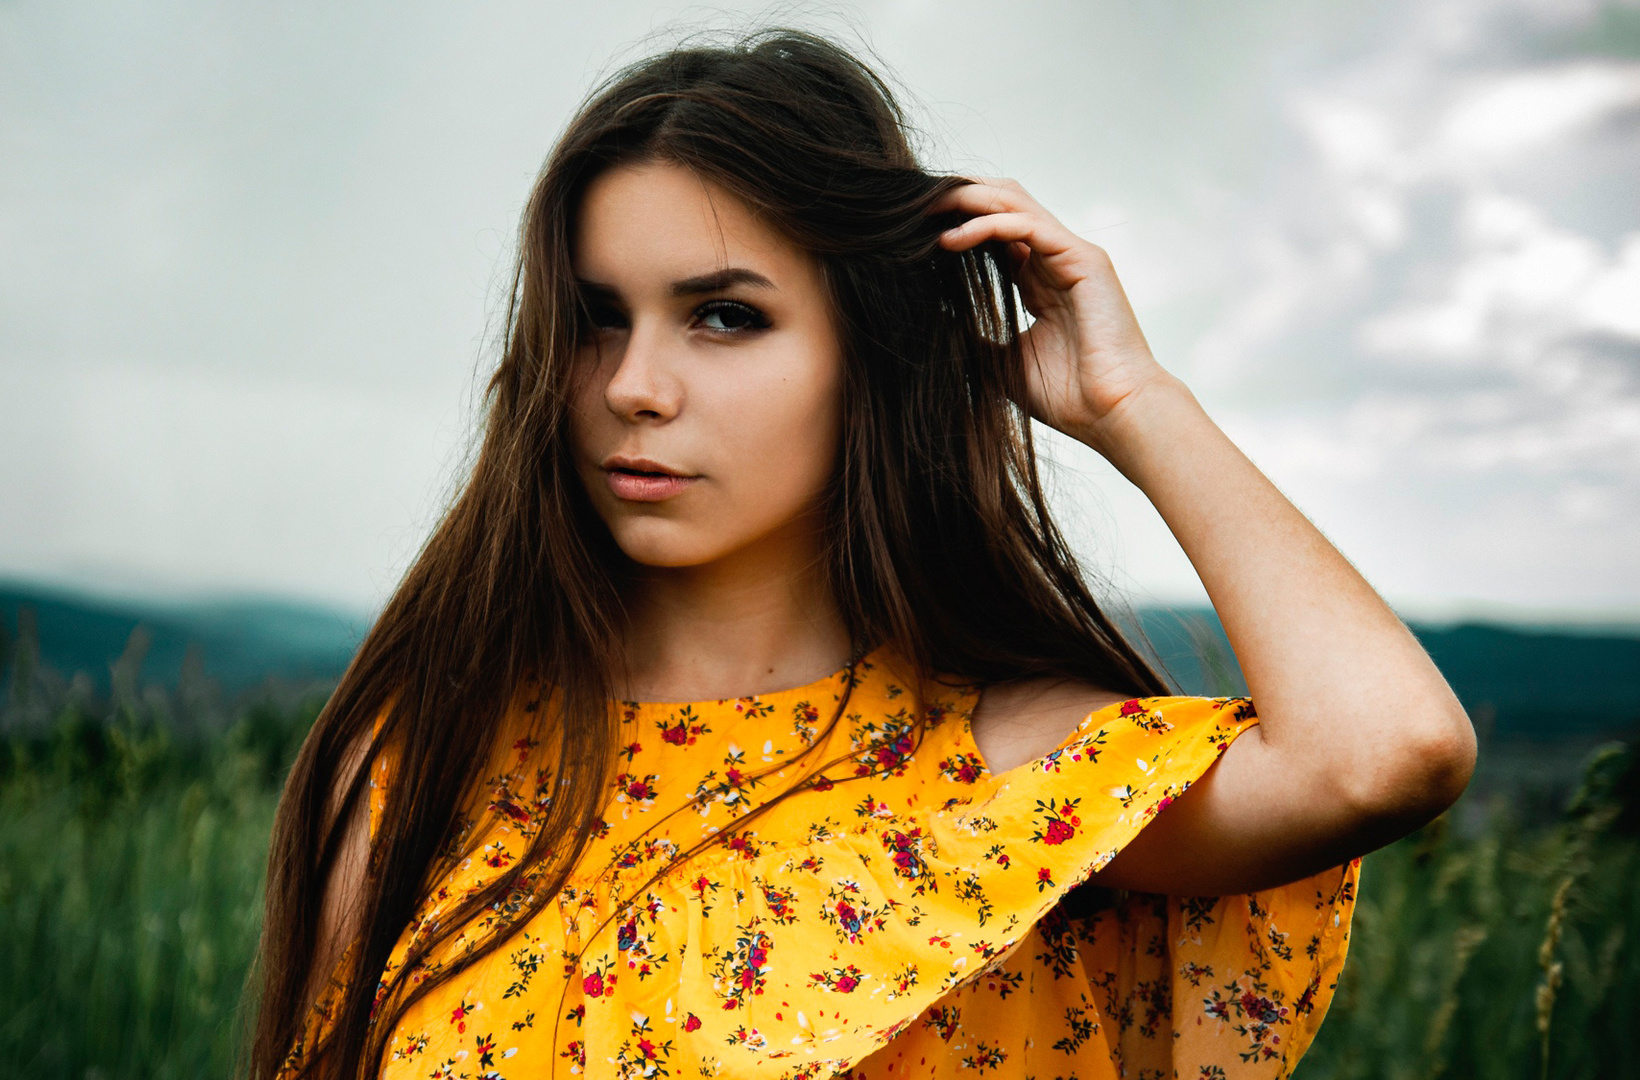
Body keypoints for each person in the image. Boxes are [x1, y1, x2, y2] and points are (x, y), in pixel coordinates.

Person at [249, 28, 1475, 1080]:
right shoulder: (429, 765)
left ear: (867, 354)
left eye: (725, 316)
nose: (632, 385)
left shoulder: (1004, 770)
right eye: (596, 318)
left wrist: (1131, 400)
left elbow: (1386, 755)